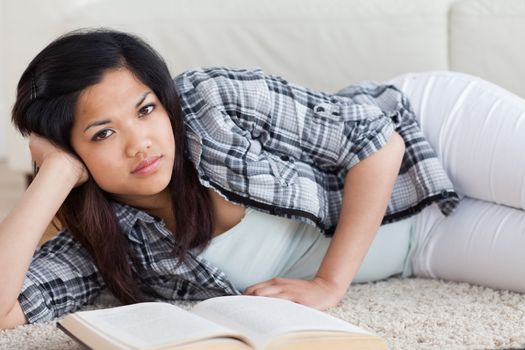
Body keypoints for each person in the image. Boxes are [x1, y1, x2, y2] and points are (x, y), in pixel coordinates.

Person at [0, 28, 464, 329]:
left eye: (145, 110)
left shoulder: (210, 104)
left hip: (433, 136)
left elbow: (376, 140)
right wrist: (55, 174)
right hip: (425, 245)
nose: (139, 143)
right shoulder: (105, 242)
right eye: (102, 133)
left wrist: (329, 283)